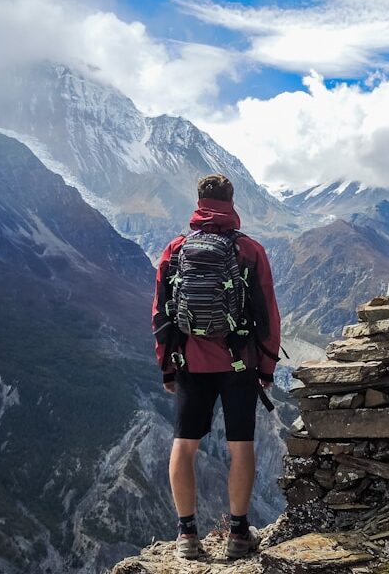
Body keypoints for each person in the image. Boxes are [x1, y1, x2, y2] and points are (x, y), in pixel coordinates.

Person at [151, 174, 282, 560]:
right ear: (232, 201)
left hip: (190, 361)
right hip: (240, 362)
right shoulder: (250, 251)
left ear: (198, 202)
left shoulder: (175, 250)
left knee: (185, 445)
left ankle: (186, 536)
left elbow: (160, 314)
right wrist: (267, 367)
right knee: (241, 446)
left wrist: (167, 367)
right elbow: (268, 314)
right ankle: (239, 534)